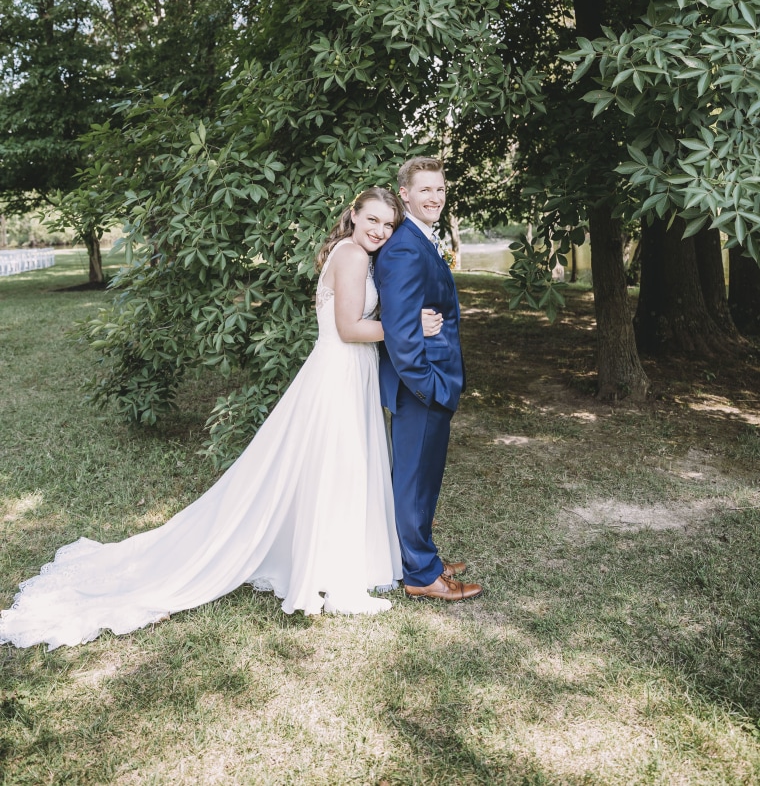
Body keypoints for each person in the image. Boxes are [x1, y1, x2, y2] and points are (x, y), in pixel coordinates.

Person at [0, 187, 443, 650]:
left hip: (345, 372)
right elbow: (351, 329)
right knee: (337, 469)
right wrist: (410, 324)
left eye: (388, 225)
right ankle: (332, 575)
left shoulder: (349, 251)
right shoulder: (352, 256)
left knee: (333, 468)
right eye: (371, 219)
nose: (379, 230)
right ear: (353, 215)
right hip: (340, 372)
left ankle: (333, 561)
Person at [374, 157, 483, 602]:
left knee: (423, 478)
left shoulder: (421, 239)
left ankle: (423, 556)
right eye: (425, 190)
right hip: (420, 385)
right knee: (415, 481)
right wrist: (427, 386)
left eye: (439, 189)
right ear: (405, 194)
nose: (435, 197)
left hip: (433, 382)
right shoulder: (402, 247)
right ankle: (420, 574)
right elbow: (400, 335)